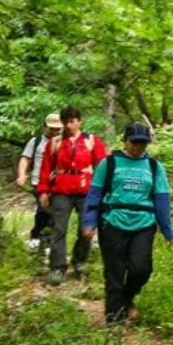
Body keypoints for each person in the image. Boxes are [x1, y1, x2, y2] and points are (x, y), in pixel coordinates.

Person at [81, 122, 173, 325]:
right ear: (125, 141)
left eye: (143, 143)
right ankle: (114, 317)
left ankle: (127, 297)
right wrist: (89, 222)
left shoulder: (154, 167)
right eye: (134, 142)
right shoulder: (109, 164)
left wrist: (167, 229)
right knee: (114, 270)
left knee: (141, 269)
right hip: (112, 222)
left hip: (144, 223)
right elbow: (95, 194)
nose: (138, 147)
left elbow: (161, 199)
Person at [36, 106, 107, 285]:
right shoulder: (55, 143)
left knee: (87, 229)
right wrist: (43, 191)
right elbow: (45, 168)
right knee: (59, 229)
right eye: (65, 122)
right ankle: (57, 267)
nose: (69, 125)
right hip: (61, 189)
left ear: (79, 121)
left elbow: (103, 167)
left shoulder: (92, 141)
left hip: (87, 190)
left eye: (72, 121)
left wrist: (104, 191)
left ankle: (79, 260)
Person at [16, 113, 62, 251]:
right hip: (39, 182)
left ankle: (49, 241)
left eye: (57, 129)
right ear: (44, 127)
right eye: (51, 129)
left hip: (59, 184)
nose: (54, 132)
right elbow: (25, 159)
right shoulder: (35, 142)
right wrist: (22, 175)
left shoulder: (65, 143)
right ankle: (37, 236)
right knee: (43, 209)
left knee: (56, 212)